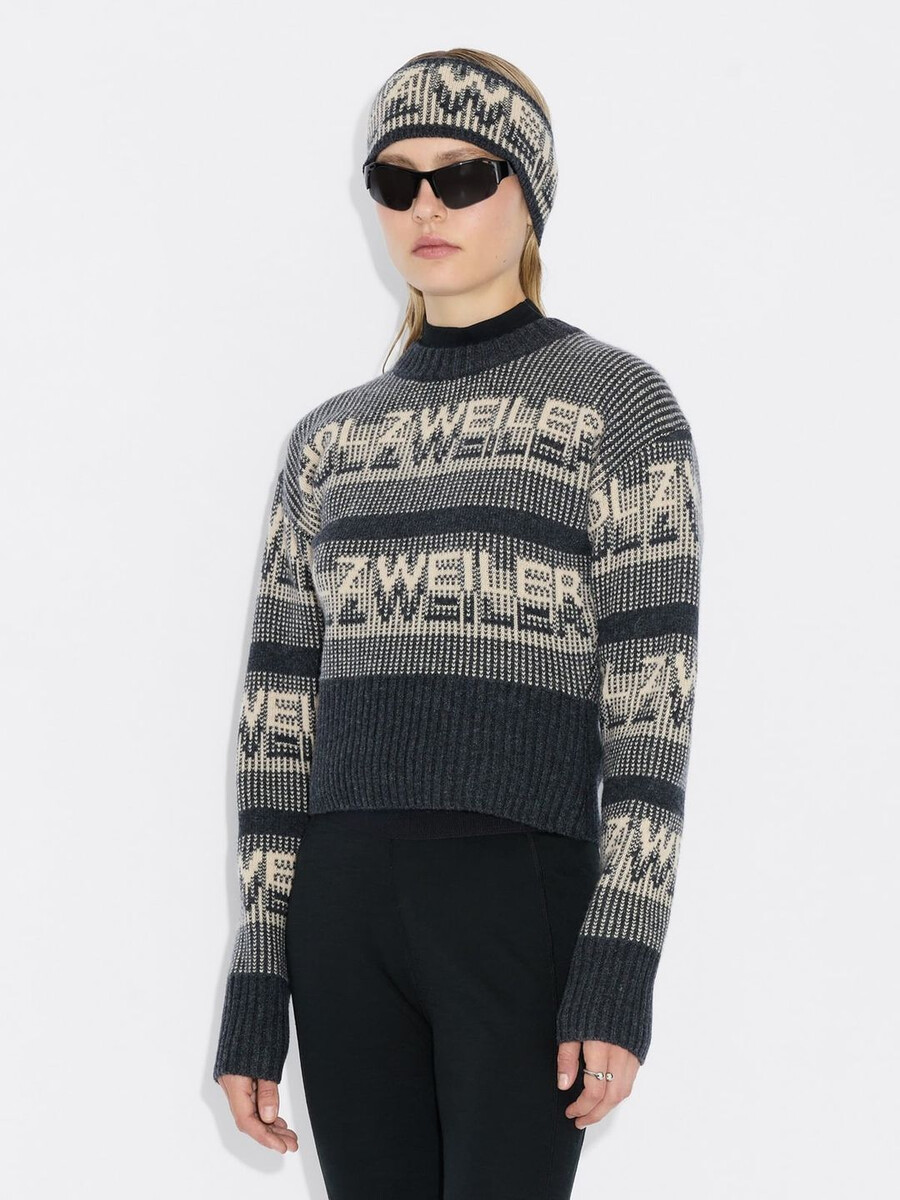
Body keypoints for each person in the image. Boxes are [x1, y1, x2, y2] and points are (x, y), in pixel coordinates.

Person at [213, 47, 704, 1200]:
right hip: (342, 912)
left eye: (463, 175)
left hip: (517, 901)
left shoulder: (617, 409)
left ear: (527, 191)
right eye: (396, 182)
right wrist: (258, 983)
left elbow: (654, 718)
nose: (426, 206)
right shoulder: (326, 442)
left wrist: (619, 964)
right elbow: (277, 721)